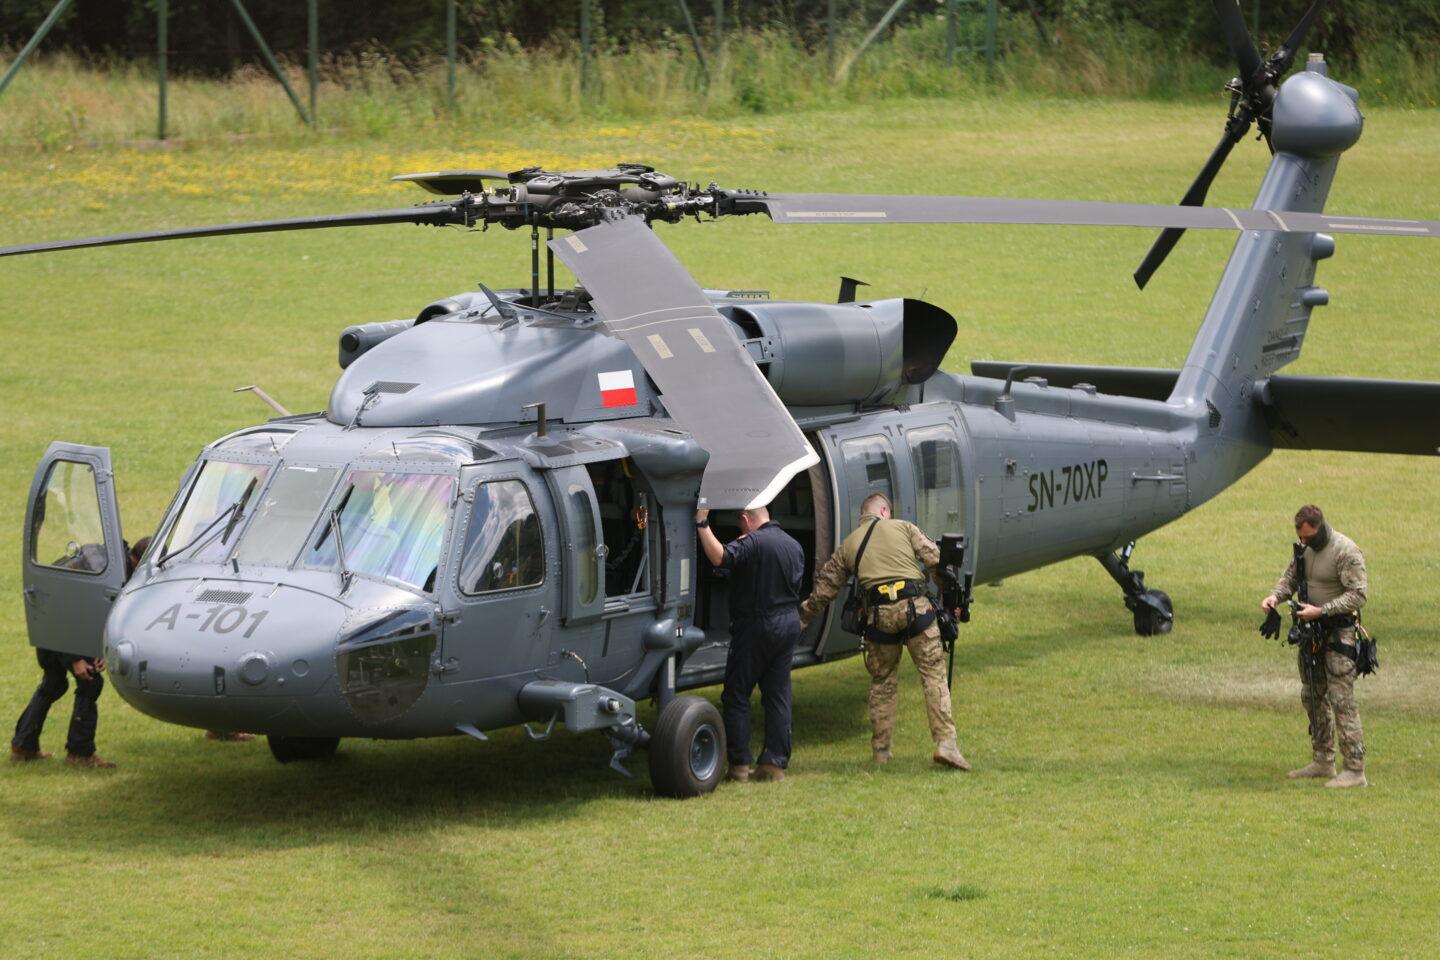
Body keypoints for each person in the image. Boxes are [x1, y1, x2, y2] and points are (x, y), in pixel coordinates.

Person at [800, 493, 969, 770]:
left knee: (883, 684)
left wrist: (802, 619)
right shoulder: (904, 527)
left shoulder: (849, 544)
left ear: (863, 516)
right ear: (883, 511)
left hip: (878, 618)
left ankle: (881, 752)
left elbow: (825, 589)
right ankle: (946, 745)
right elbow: (938, 563)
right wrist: (950, 604)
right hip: (917, 612)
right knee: (933, 677)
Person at [695, 501, 806, 783]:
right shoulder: (793, 545)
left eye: (739, 524)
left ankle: (739, 765)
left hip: (758, 624)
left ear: (746, 519)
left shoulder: (753, 543)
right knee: (777, 694)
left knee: (736, 693)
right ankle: (774, 763)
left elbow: (720, 557)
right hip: (789, 622)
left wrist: (702, 524)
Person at [1260, 504, 1368, 788]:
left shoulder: (1345, 551)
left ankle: (1355, 770)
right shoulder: (1303, 549)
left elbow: (1358, 595)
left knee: (1342, 700)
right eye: (1301, 537)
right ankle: (1323, 760)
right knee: (1312, 695)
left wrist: (1321, 611)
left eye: (1308, 536)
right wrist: (1274, 597)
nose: (1304, 541)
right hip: (1312, 634)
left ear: (1320, 527)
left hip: (1339, 633)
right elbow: (1291, 579)